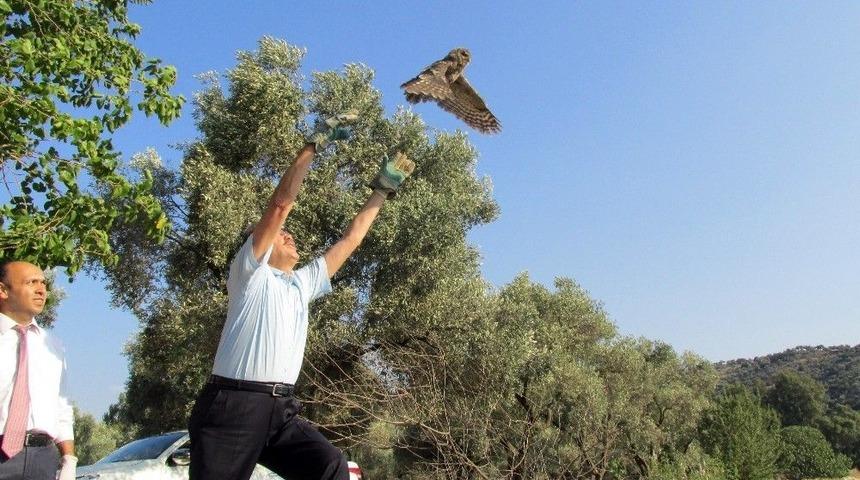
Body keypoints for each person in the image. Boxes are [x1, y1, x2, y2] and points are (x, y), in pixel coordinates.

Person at [188, 112, 415, 480]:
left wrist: (382, 190)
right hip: (233, 408)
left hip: (281, 411)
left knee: (331, 467)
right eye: (282, 235)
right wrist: (313, 144)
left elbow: (350, 240)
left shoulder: (301, 284)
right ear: (256, 246)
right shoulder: (250, 275)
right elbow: (280, 205)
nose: (290, 236)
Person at [0, 260, 76, 480]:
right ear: (3, 290)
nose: (41, 289)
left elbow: (62, 406)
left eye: (43, 283)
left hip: (42, 458)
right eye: (31, 282)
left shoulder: (53, 345)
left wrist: (69, 460)